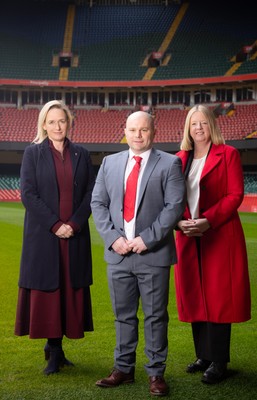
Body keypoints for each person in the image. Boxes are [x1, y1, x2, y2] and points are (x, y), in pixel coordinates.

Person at [91, 110, 186, 396]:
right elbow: (98, 203)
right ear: (125, 130)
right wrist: (112, 239)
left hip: (153, 254)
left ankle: (156, 373)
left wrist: (147, 239)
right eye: (133, 129)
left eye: (143, 129)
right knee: (123, 316)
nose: (138, 135)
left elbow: (174, 207)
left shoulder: (169, 164)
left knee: (156, 316)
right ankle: (123, 369)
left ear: (153, 131)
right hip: (118, 254)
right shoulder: (109, 163)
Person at [14, 100, 95, 375]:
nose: (57, 126)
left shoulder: (82, 154)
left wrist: (73, 224)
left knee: (68, 288)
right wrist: (55, 225)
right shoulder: (32, 154)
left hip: (74, 235)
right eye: (52, 122)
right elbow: (28, 194)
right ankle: (53, 350)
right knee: (49, 291)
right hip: (45, 237)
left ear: (68, 122)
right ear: (43, 125)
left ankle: (58, 349)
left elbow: (90, 194)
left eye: (62, 121)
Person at [174, 104, 251, 384]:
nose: (198, 128)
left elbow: (235, 195)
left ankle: (219, 361)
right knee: (196, 294)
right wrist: (180, 222)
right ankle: (203, 356)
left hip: (219, 234)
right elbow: (172, 198)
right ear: (187, 128)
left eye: (203, 123)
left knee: (218, 297)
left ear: (212, 126)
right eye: (193, 124)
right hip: (188, 234)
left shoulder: (228, 154)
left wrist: (207, 220)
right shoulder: (180, 158)